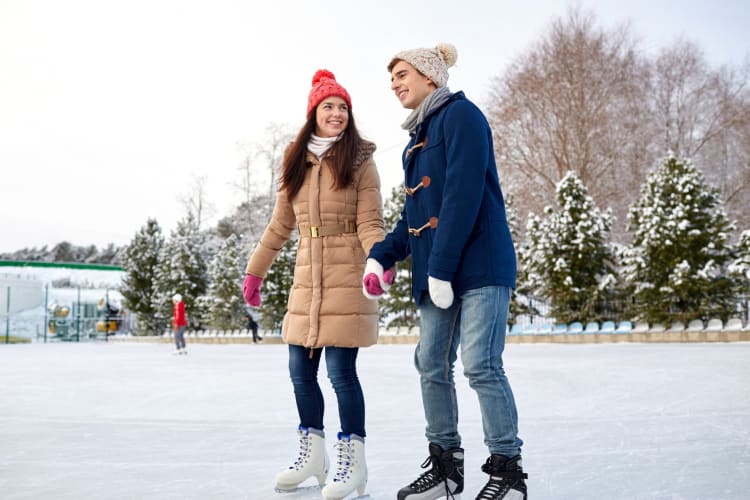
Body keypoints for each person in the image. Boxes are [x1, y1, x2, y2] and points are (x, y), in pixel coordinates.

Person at [362, 44, 528, 500]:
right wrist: (382, 254)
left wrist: (440, 267)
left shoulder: (462, 116)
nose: (395, 83)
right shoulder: (417, 138)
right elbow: (414, 214)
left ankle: (508, 471)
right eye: (391, 78)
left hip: (478, 264)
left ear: (430, 75)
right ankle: (446, 467)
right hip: (440, 272)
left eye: (401, 73)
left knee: (480, 365)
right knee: (430, 363)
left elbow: (462, 196)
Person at [242, 69, 386, 500]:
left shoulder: (361, 159)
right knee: (299, 372)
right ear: (313, 113)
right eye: (329, 106)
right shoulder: (295, 160)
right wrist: (255, 270)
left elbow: (370, 222)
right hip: (308, 278)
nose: (338, 113)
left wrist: (378, 261)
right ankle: (313, 457)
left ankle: (353, 463)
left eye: (343, 107)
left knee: (342, 374)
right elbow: (280, 224)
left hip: (346, 275)